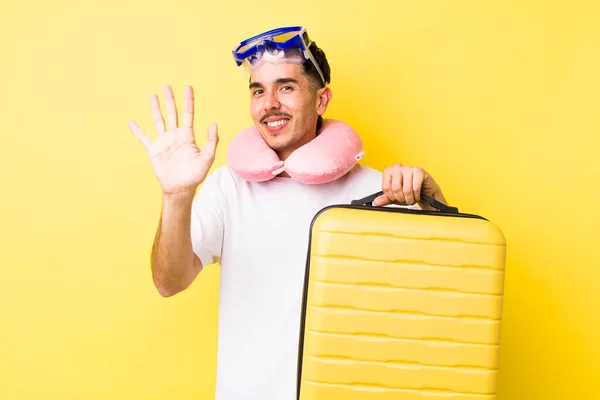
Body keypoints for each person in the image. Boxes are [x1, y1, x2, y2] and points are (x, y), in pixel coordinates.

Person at [128, 26, 449, 400]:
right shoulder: (229, 188)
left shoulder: (378, 192)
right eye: (258, 90)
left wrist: (431, 199)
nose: (269, 104)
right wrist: (177, 196)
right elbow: (169, 282)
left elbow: (445, 284)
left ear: (321, 99)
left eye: (286, 87)